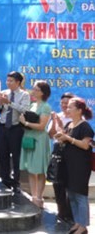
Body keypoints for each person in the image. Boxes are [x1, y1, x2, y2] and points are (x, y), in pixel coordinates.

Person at [53, 97, 93, 234]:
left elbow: (85, 145)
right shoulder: (69, 124)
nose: (67, 109)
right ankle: (77, 222)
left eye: (70, 107)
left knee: (80, 195)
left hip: (80, 166)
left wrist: (68, 138)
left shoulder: (85, 126)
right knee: (71, 195)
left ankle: (83, 225)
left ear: (79, 110)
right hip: (67, 165)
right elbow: (64, 141)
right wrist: (60, 133)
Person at [0, 71, 30, 192]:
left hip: (16, 128)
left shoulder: (24, 95)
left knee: (16, 156)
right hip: (3, 127)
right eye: (7, 80)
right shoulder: (4, 93)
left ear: (18, 82)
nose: (8, 83)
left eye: (11, 81)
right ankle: (5, 179)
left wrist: (10, 103)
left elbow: (24, 110)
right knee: (3, 154)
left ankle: (16, 181)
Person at [18, 80, 52, 208]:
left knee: (40, 169)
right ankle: (33, 196)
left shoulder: (45, 107)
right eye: (33, 89)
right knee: (31, 169)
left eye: (36, 89)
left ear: (43, 92)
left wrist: (25, 123)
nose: (33, 91)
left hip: (39, 139)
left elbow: (42, 126)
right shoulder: (31, 105)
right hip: (28, 137)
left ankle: (39, 197)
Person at [48, 92, 75, 223]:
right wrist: (54, 122)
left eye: (67, 103)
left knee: (70, 183)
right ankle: (61, 212)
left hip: (72, 152)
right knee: (57, 183)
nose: (64, 106)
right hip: (58, 151)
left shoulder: (77, 119)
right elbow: (50, 135)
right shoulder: (57, 116)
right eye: (62, 103)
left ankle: (70, 213)